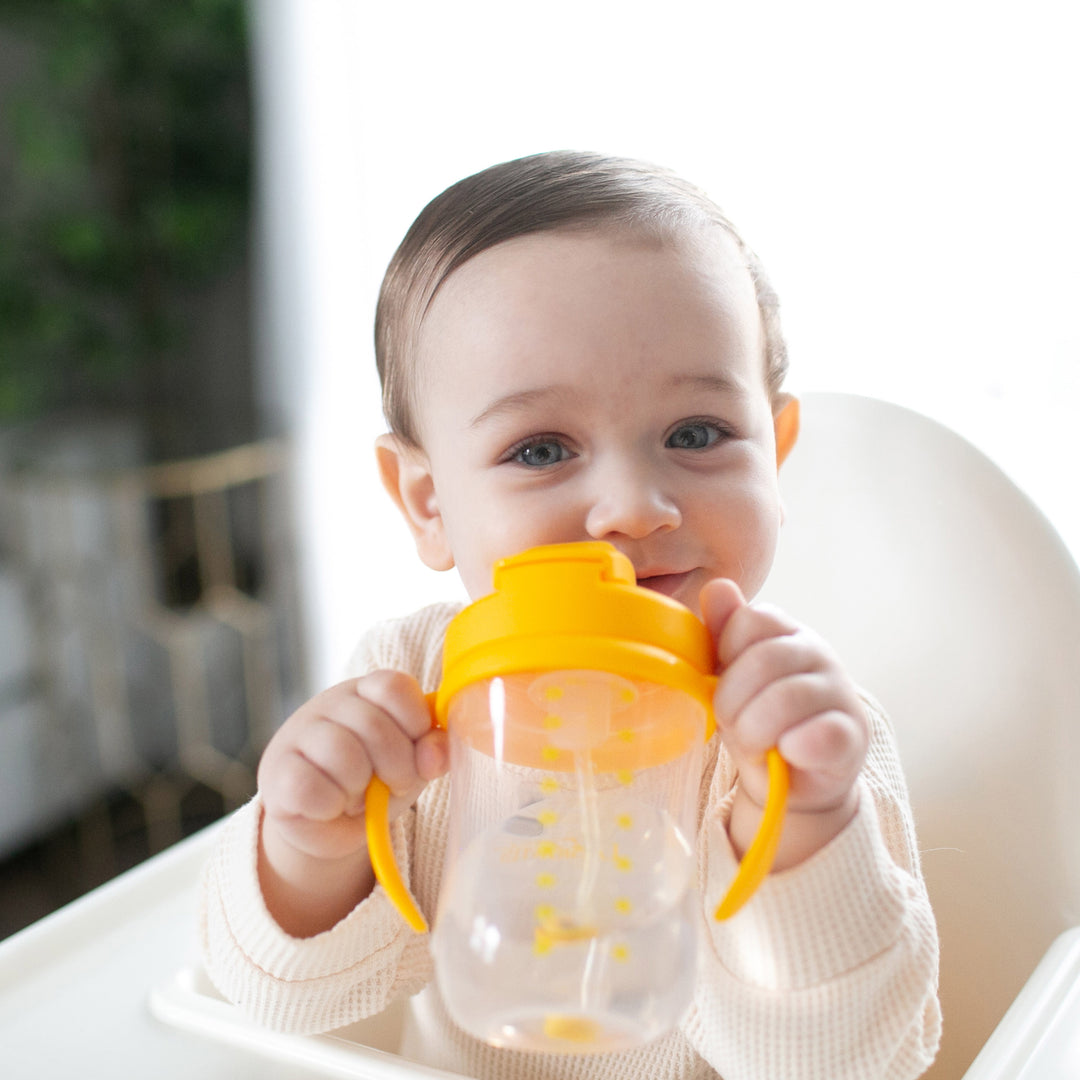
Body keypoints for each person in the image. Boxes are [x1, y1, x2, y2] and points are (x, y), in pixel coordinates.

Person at [199, 150, 941, 1080]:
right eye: (542, 448)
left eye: (697, 434)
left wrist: (798, 830)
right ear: (428, 502)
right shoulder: (407, 685)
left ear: (774, 458)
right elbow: (282, 999)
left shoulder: (803, 731)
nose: (634, 505)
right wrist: (310, 848)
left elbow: (854, 1063)